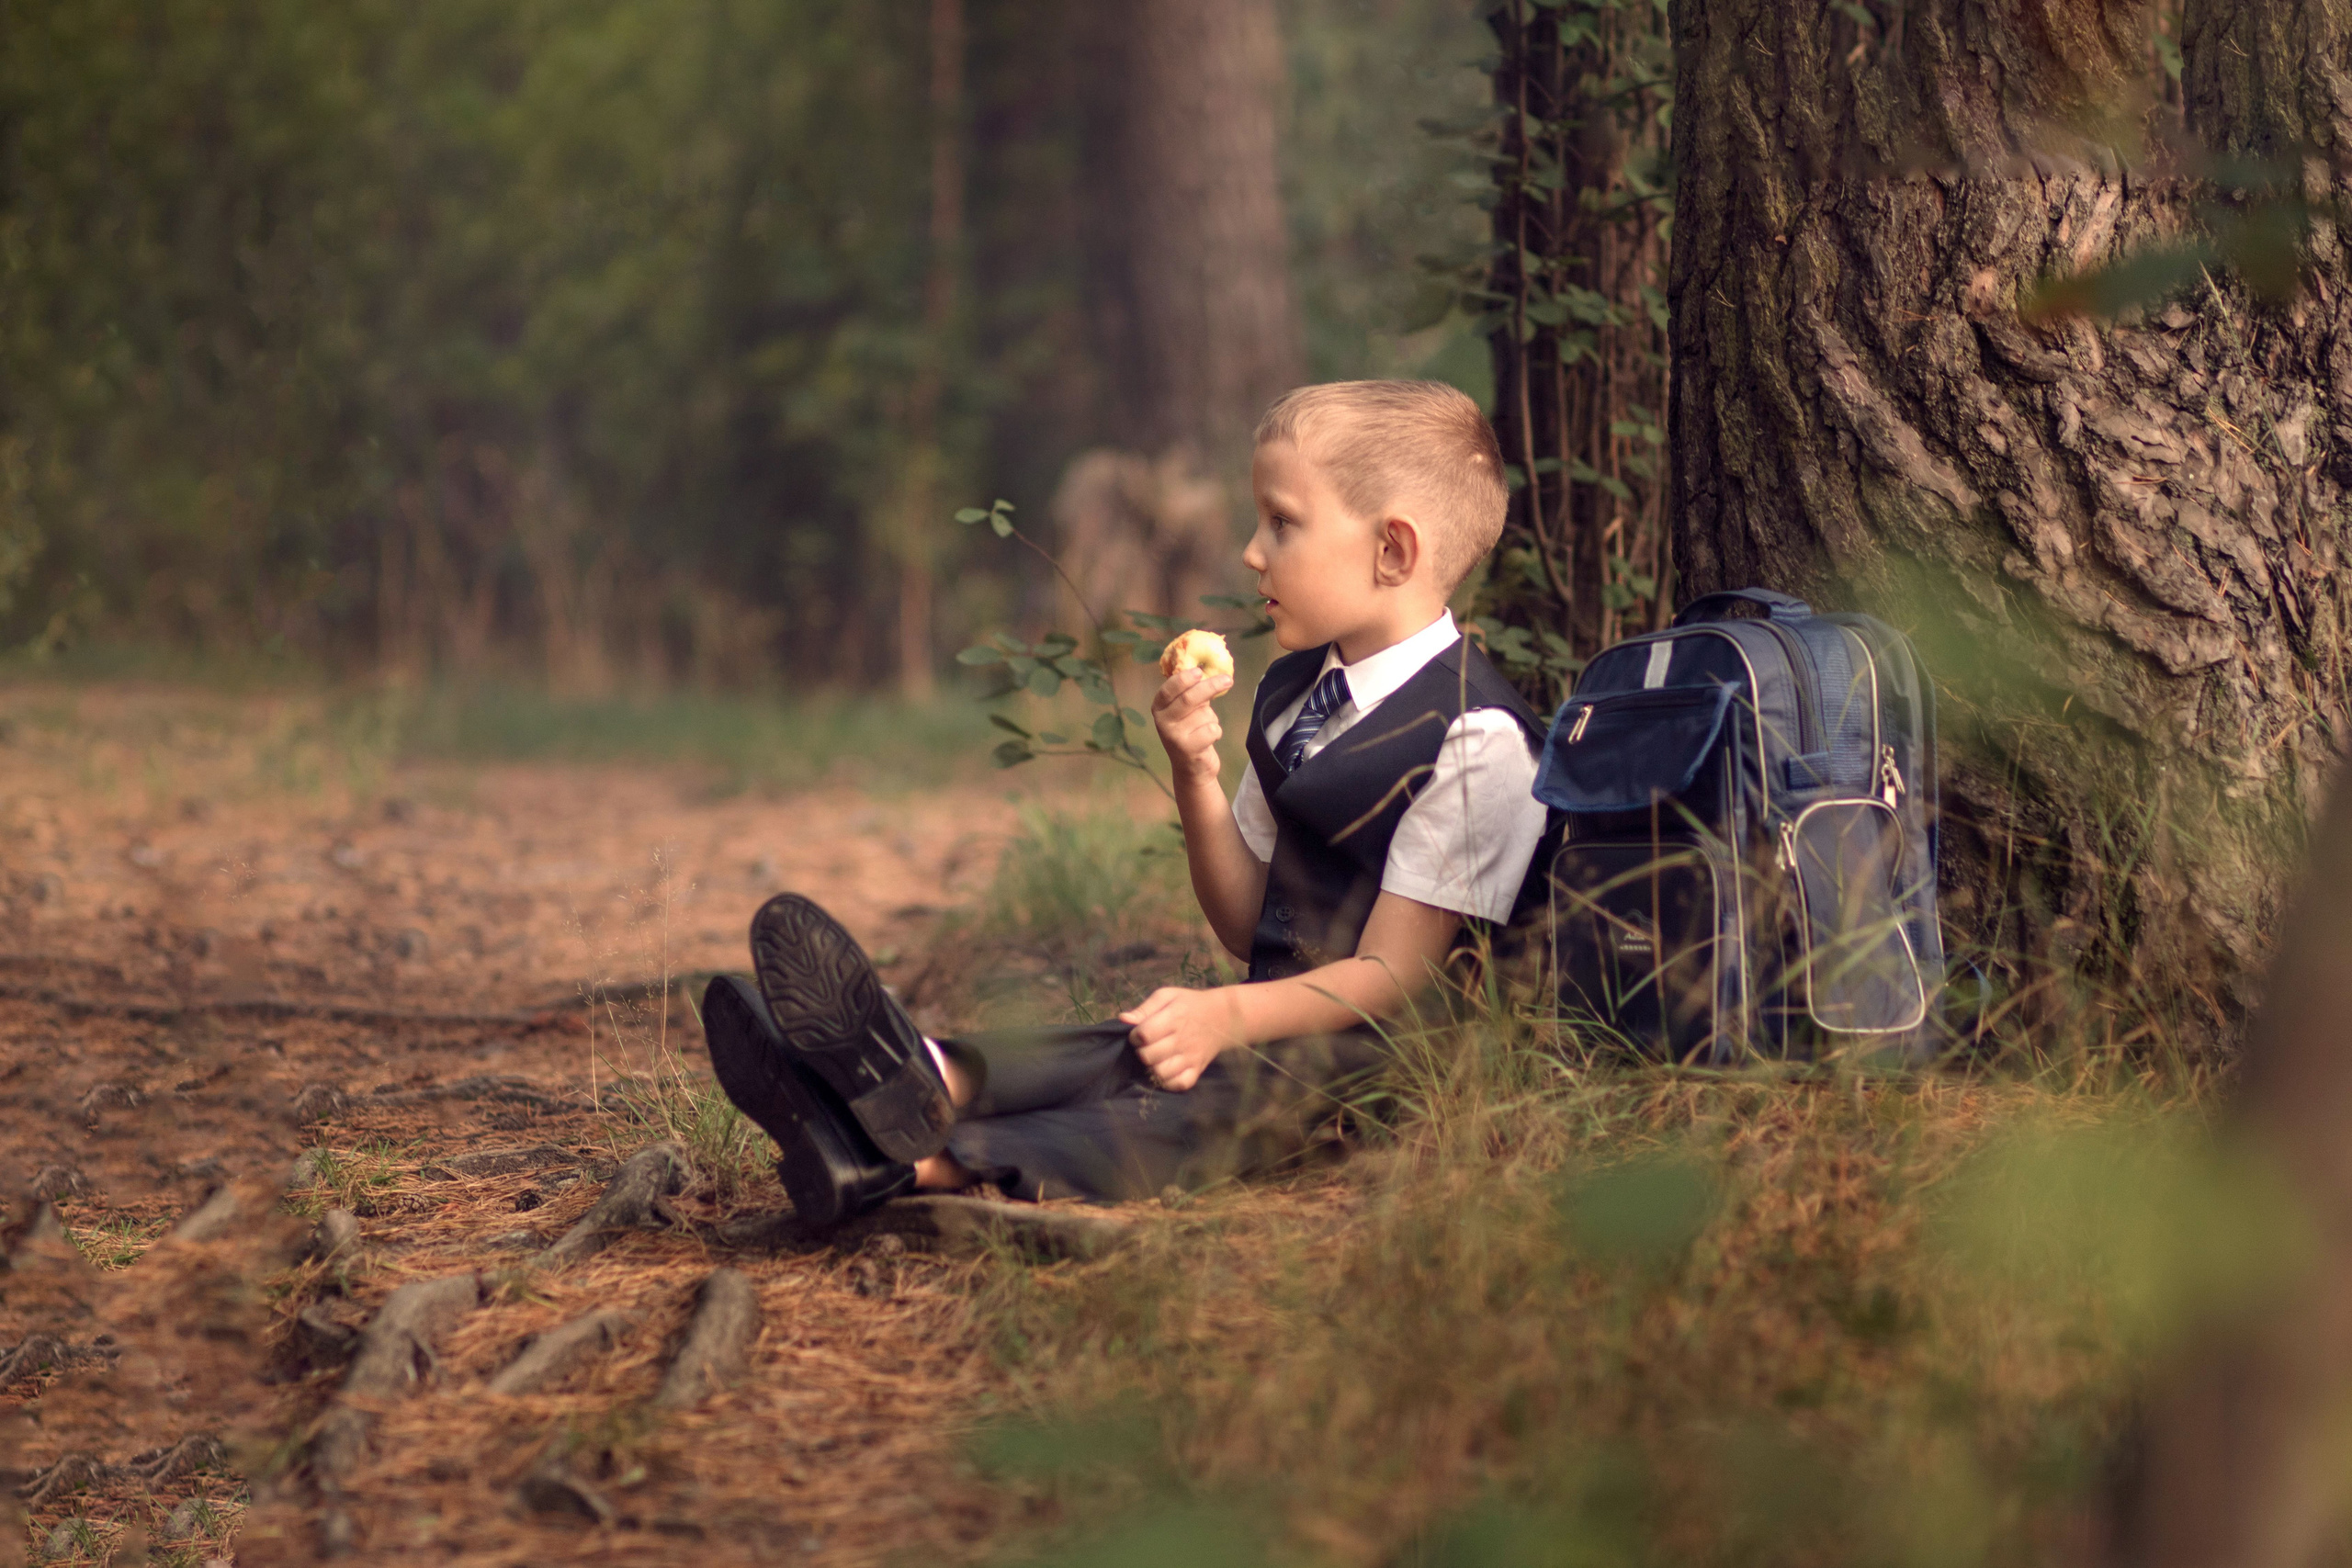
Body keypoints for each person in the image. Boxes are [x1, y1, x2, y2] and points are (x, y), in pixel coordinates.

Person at [701, 379, 1553, 1221]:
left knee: (1208, 1097)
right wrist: (1194, 770)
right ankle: (917, 1075)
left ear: (1393, 551)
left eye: (1283, 523)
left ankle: (916, 1161)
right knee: (1137, 1041)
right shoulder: (1299, 691)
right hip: (1276, 1025)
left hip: (1394, 1065)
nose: (1253, 552)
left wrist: (1228, 1013)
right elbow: (1246, 920)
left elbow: (1393, 974)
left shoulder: (1477, 738)